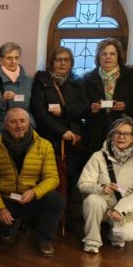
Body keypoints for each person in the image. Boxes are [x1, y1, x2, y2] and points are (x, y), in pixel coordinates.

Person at [0, 108, 63, 257]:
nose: (19, 126)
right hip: (8, 199)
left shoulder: (44, 145)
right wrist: (0, 209)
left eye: (22, 121)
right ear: (6, 125)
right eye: (13, 122)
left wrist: (34, 192)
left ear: (28, 123)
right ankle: (11, 225)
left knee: (57, 200)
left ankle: (44, 238)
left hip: (32, 198)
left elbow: (52, 178)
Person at [31, 46, 89, 231]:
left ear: (71, 63)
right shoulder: (42, 81)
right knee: (48, 179)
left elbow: (84, 108)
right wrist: (61, 131)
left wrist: (73, 128)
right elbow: (39, 111)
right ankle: (46, 220)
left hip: (72, 141)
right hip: (49, 139)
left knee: (69, 179)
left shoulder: (78, 82)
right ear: (52, 62)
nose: (63, 63)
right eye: (58, 59)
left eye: (66, 60)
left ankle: (66, 218)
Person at [77, 116, 133, 254]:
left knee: (128, 234)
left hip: (123, 207)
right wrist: (100, 188)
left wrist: (121, 209)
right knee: (93, 201)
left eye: (126, 133)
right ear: (111, 135)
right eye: (117, 132)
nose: (121, 137)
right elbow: (83, 184)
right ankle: (92, 240)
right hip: (101, 203)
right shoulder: (98, 156)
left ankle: (113, 235)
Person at [82, 38, 133, 151]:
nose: (108, 57)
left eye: (112, 54)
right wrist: (91, 109)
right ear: (98, 56)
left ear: (118, 56)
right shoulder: (88, 78)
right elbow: (81, 107)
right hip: (96, 133)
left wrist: (126, 106)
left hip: (125, 132)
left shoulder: (132, 76)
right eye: (104, 54)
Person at [0, 41, 34, 142]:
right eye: (9, 58)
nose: (13, 61)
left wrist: (31, 125)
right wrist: (2, 101)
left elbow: (34, 110)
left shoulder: (30, 82)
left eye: (16, 57)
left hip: (24, 135)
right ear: (0, 60)